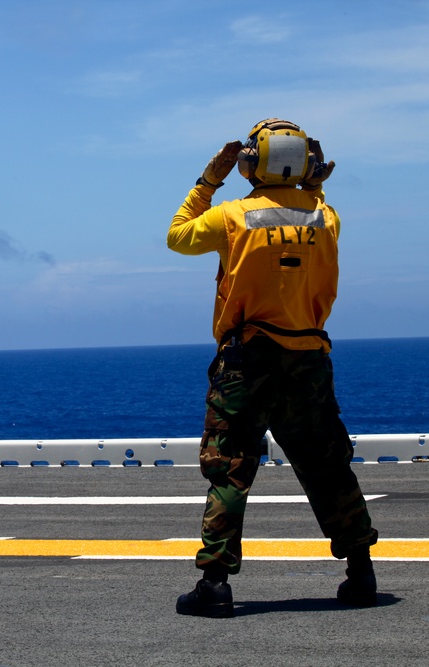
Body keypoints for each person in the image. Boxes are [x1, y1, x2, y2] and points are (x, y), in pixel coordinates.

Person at [167, 118, 379, 618]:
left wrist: (208, 180)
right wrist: (314, 186)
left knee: (230, 467)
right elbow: (308, 211)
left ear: (249, 164)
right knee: (327, 464)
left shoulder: (233, 216)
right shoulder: (328, 217)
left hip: (248, 360)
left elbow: (178, 236)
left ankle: (215, 584)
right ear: (307, 162)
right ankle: (362, 572)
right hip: (308, 360)